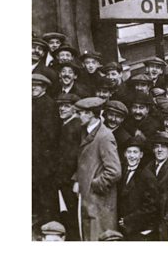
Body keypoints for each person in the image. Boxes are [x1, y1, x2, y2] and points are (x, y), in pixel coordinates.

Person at [73, 97, 122, 241]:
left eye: (80, 113)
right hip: (88, 200)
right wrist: (77, 179)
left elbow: (114, 171)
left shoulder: (105, 136)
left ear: (90, 114)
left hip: (99, 203)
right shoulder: (86, 131)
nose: (77, 116)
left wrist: (94, 185)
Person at [32, 74, 60, 234]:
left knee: (46, 193)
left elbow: (50, 135)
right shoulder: (33, 102)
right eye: (30, 85)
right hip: (35, 157)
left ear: (44, 88)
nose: (32, 88)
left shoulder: (48, 105)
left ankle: (48, 226)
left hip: (44, 158)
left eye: (36, 86)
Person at [117, 137, 159, 241]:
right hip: (121, 227)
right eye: (129, 152)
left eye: (135, 152)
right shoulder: (121, 172)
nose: (131, 156)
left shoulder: (147, 176)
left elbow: (151, 207)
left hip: (137, 229)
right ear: (125, 154)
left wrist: (129, 220)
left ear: (141, 155)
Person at [55, 93, 82, 240]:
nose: (62, 109)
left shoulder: (74, 126)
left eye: (66, 106)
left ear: (75, 109)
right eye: (60, 105)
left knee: (72, 217)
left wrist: (75, 179)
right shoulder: (67, 124)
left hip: (70, 180)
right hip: (65, 179)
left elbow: (76, 156)